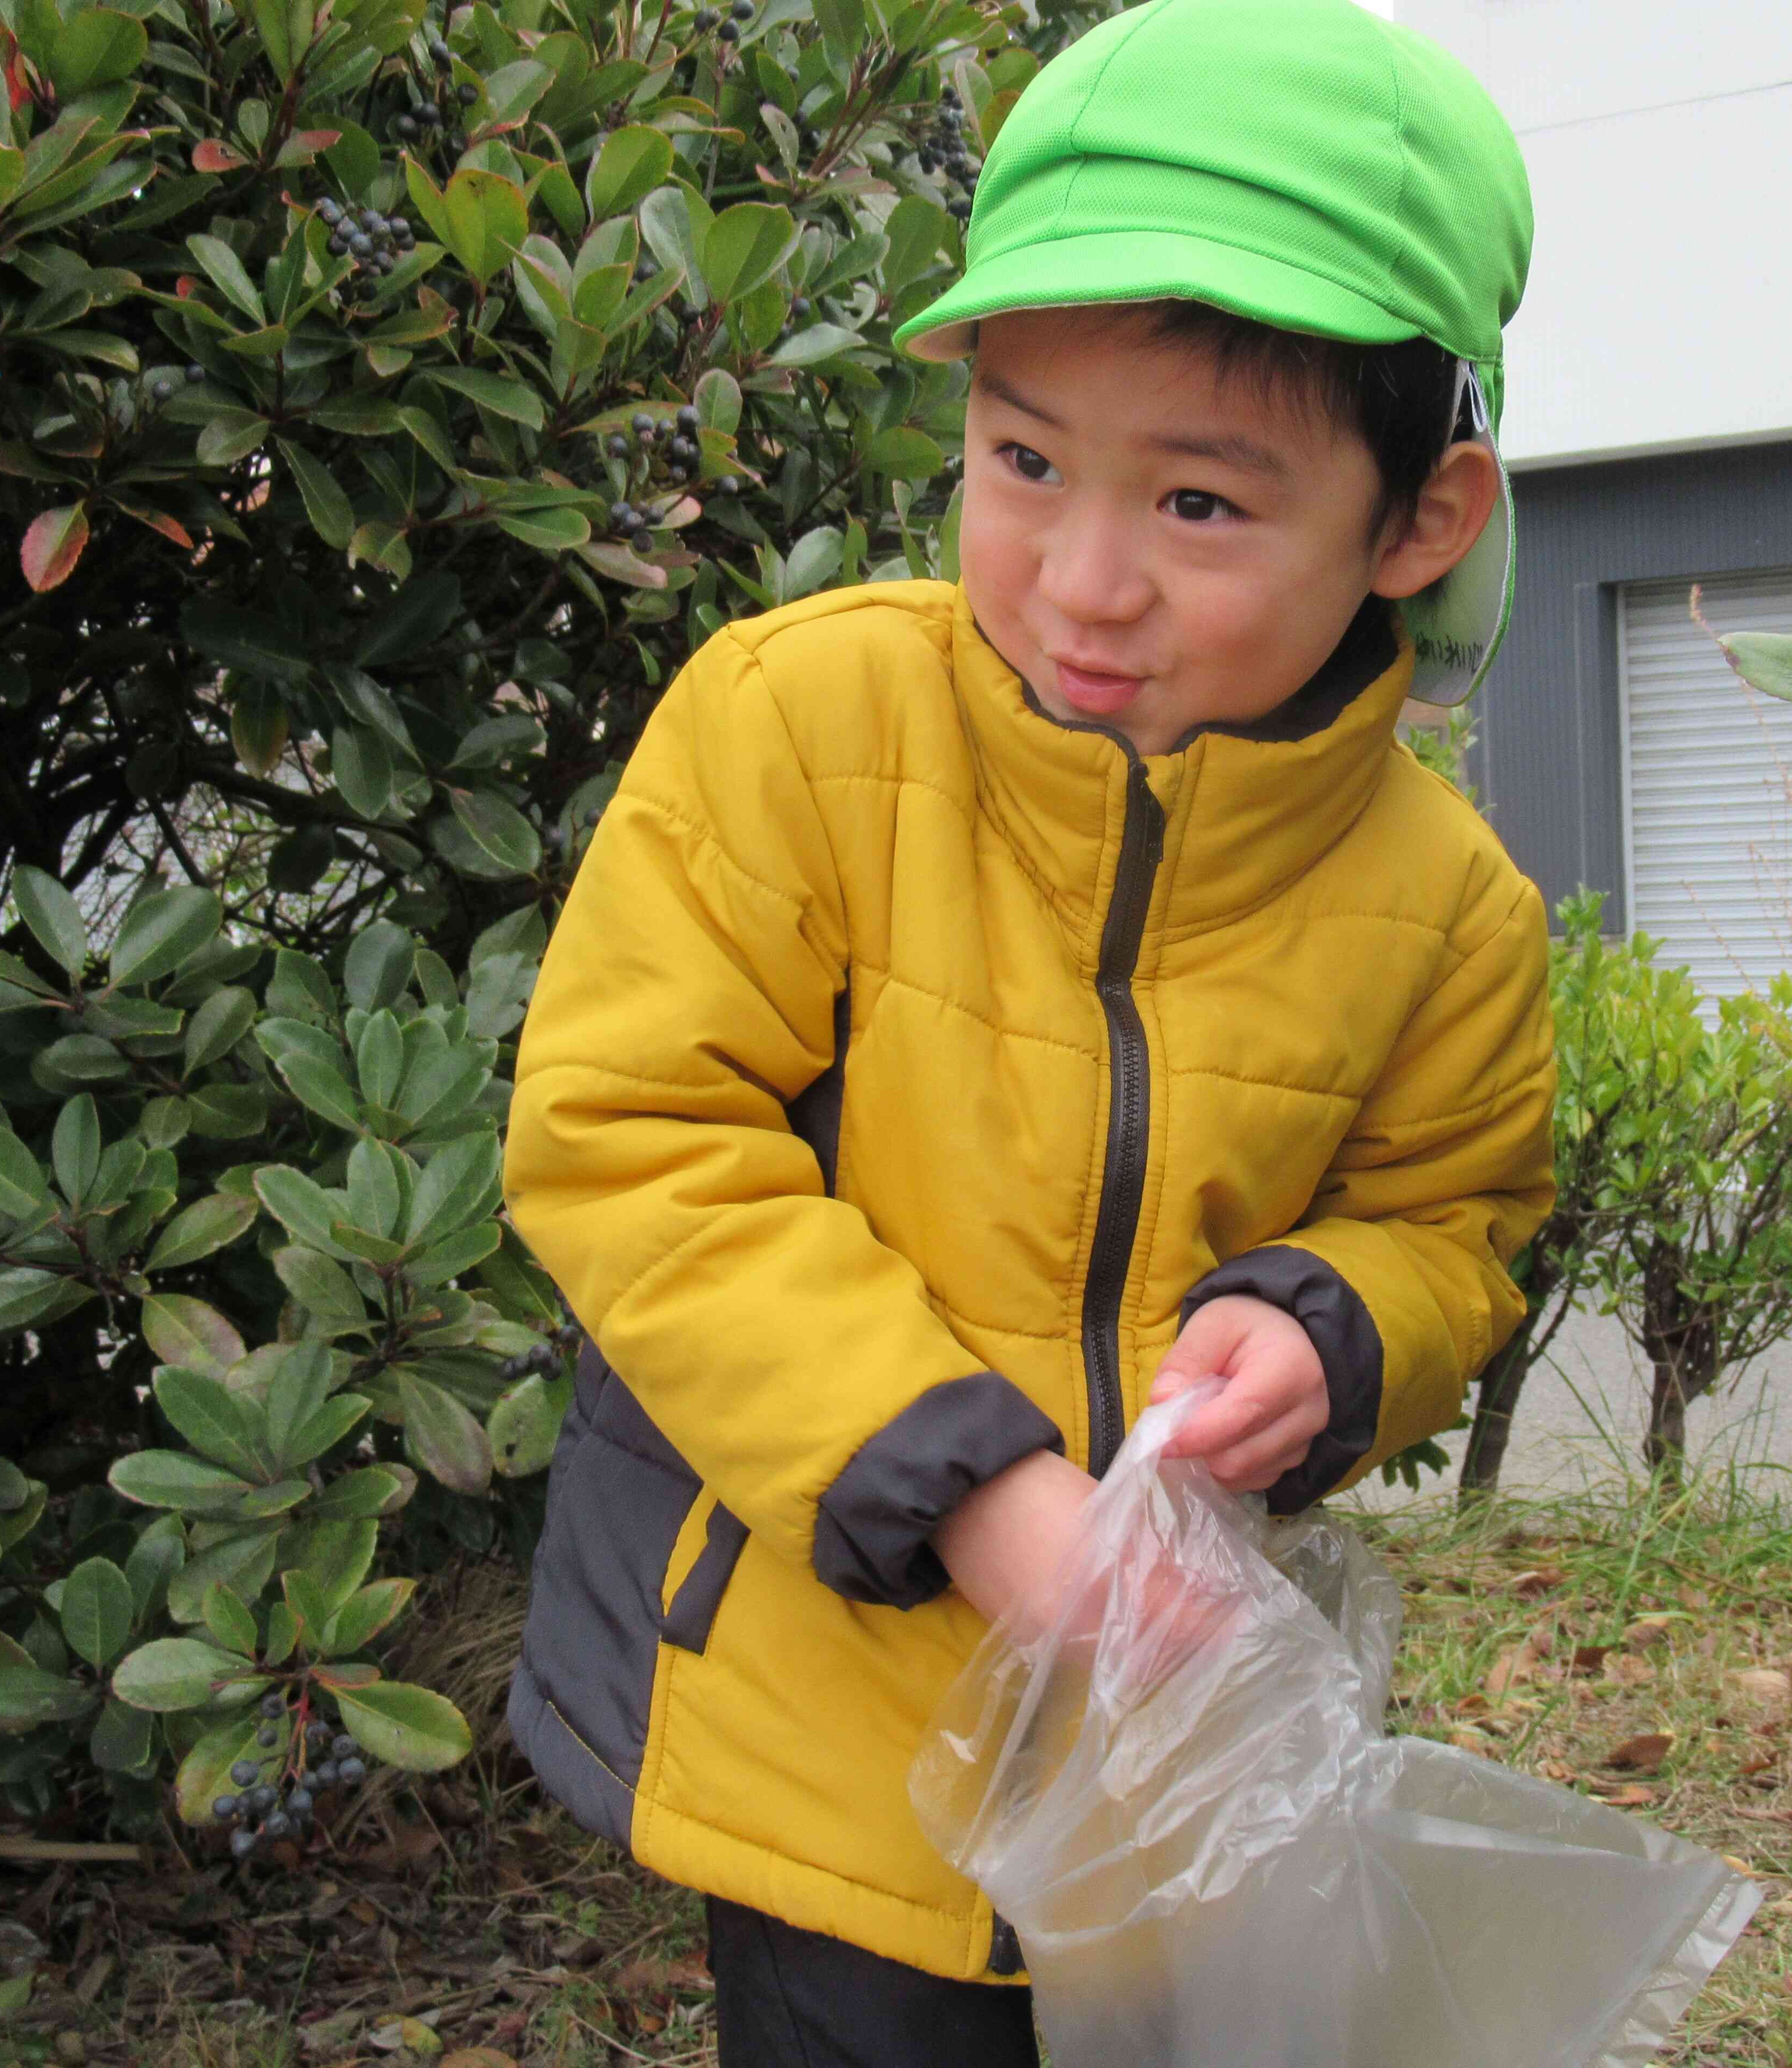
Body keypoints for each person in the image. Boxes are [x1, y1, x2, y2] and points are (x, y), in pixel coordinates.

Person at [499, 0, 1551, 2059]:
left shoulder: (1445, 902)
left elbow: (1458, 1222)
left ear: (1416, 521)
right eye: (1023, 461)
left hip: (1157, 1744)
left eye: (1199, 508)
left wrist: (1330, 1320)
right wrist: (972, 1488)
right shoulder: (803, 724)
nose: (1081, 580)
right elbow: (629, 1134)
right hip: (823, 1711)